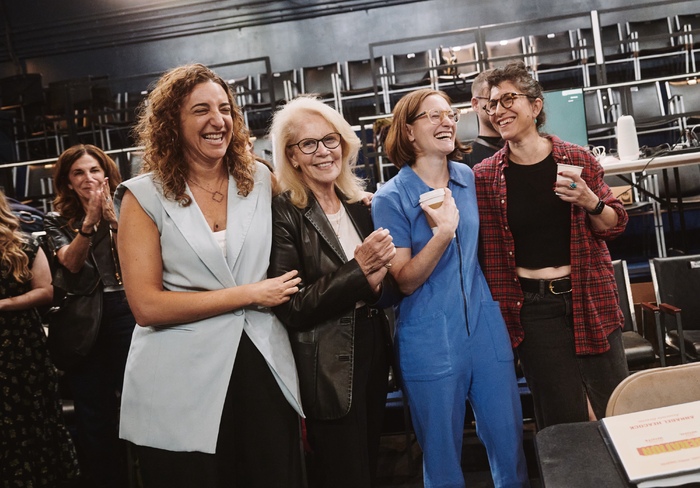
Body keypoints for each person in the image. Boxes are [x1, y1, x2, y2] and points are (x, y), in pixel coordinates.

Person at [113, 63, 304, 488]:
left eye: (224, 109)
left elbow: (308, 221)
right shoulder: (141, 196)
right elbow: (146, 307)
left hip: (260, 362)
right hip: (179, 376)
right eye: (201, 110)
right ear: (172, 123)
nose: (218, 121)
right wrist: (249, 293)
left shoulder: (260, 178)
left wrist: (357, 203)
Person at [372, 88, 530, 488]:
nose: (447, 122)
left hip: (485, 327)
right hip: (428, 337)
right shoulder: (391, 197)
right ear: (409, 131)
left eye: (451, 115)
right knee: (442, 460)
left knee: (510, 447)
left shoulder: (467, 177)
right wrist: (442, 233)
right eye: (434, 116)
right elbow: (404, 280)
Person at [473, 62, 630, 430]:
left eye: (508, 99)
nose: (498, 110)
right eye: (492, 104)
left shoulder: (576, 159)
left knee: (614, 407)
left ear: (535, 106)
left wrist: (591, 201)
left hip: (590, 296)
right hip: (533, 308)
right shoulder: (485, 176)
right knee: (564, 419)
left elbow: (615, 224)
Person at [268, 96, 399, 488]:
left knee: (369, 465)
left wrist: (374, 283)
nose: (324, 151)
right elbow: (292, 306)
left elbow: (384, 284)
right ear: (292, 156)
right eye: (309, 144)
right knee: (346, 474)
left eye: (330, 140)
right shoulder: (284, 212)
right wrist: (359, 271)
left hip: (373, 345)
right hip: (327, 361)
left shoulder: (359, 204)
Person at [45, 143, 134, 488]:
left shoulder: (128, 207)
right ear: (68, 182)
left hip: (129, 309)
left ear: (107, 173)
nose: (88, 178)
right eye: (78, 173)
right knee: (94, 415)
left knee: (141, 403)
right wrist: (89, 223)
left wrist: (113, 221)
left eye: (94, 170)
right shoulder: (56, 219)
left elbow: (142, 254)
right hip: (85, 320)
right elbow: (70, 263)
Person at [0, 190, 80, 487]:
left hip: (21, 346)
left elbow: (46, 291)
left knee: (33, 417)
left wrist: (4, 304)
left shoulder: (23, 244)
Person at [462, 70, 504, 168]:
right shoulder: (464, 159)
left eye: (506, 99)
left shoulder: (521, 148)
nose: (501, 108)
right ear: (475, 104)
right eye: (492, 101)